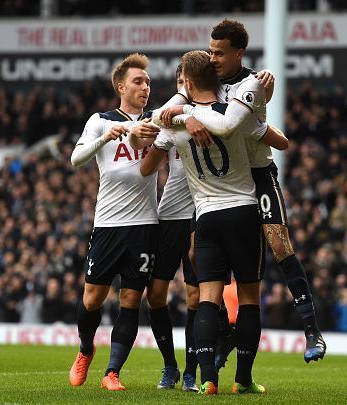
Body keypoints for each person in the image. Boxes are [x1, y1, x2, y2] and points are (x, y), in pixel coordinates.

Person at [160, 19, 326, 364]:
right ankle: (224, 329)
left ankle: (312, 330)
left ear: (239, 53)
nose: (213, 57)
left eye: (219, 52)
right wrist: (184, 115)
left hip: (257, 172)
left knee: (278, 243)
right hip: (221, 180)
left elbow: (258, 130)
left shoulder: (252, 83)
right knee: (194, 254)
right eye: (210, 51)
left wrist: (188, 113)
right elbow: (166, 110)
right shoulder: (206, 82)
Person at [140, 50, 287, 395]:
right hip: (243, 212)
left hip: (205, 218)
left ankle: (208, 379)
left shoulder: (175, 124)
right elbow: (278, 141)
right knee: (249, 298)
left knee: (207, 298)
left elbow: (148, 168)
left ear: (187, 84)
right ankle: (243, 379)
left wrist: (175, 120)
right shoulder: (236, 114)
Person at [68, 53, 162, 391]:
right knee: (92, 298)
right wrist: (108, 137)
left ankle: (113, 372)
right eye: (138, 81)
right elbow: (76, 158)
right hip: (108, 224)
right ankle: (85, 350)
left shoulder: (156, 120)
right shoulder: (101, 120)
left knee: (131, 300)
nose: (145, 87)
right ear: (121, 86)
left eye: (148, 82)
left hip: (145, 225)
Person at [142, 64, 199, 392]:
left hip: (203, 210)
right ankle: (169, 366)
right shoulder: (170, 114)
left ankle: (191, 371)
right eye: (179, 82)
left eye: (187, 82)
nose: (183, 87)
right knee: (157, 294)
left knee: (195, 296)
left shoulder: (211, 113)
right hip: (171, 212)